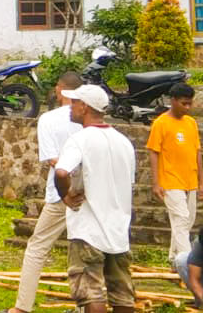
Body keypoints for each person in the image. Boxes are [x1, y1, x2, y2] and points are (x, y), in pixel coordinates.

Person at [53, 84, 137, 313]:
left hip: (88, 229)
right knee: (122, 295)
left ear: (84, 107)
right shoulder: (124, 143)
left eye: (74, 102)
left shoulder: (80, 140)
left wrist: (66, 196)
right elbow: (128, 183)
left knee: (91, 291)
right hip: (118, 229)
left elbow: (61, 172)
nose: (70, 107)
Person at [7, 71, 85, 313]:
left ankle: (22, 307)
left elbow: (54, 161)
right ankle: (87, 306)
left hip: (62, 192)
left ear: (59, 90)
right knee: (84, 249)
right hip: (88, 191)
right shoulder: (88, 117)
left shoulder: (50, 119)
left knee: (37, 247)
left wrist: (67, 187)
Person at [147, 82, 203, 262]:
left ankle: (174, 259)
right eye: (183, 103)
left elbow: (197, 152)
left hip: (190, 180)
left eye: (190, 103)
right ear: (172, 101)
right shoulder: (161, 123)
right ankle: (188, 264)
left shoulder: (191, 122)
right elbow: (153, 152)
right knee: (181, 219)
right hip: (170, 181)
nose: (187, 107)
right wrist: (156, 183)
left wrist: (202, 182)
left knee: (186, 221)